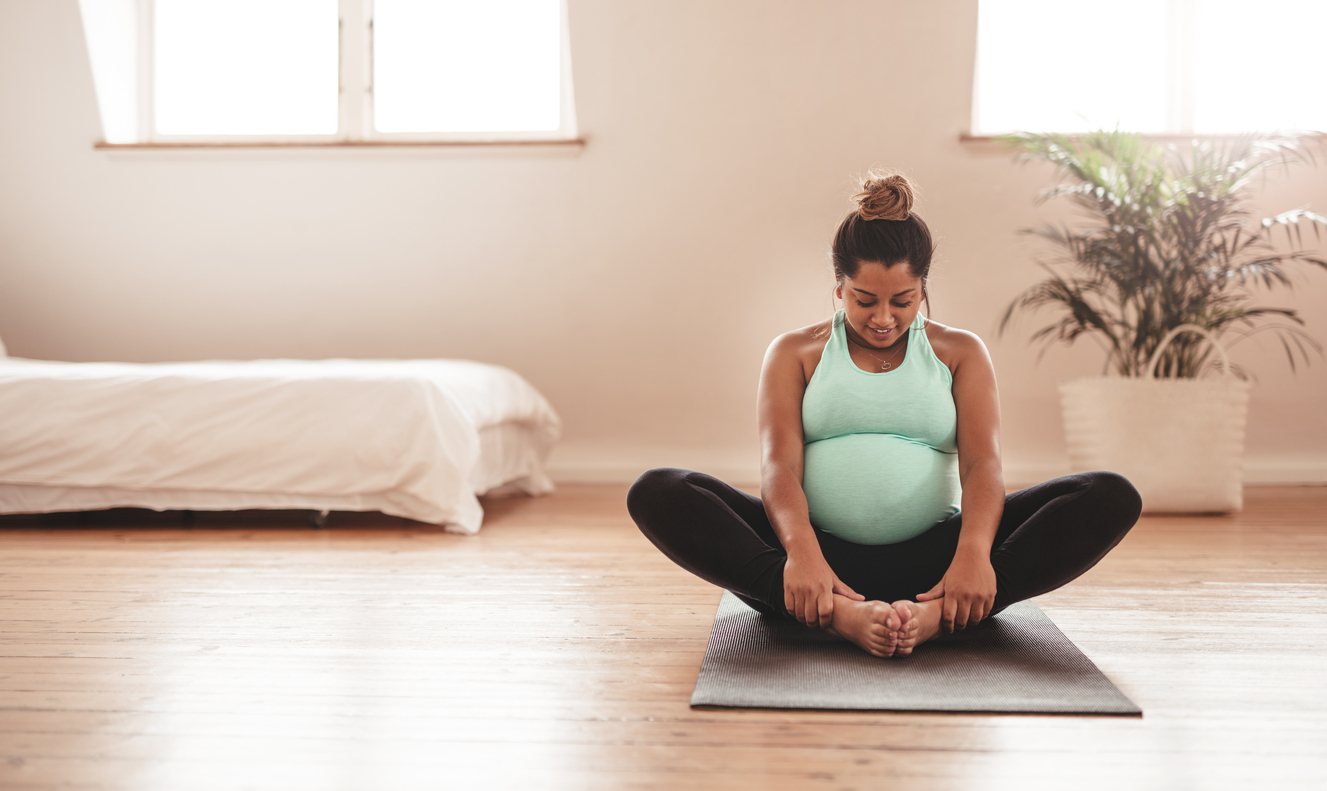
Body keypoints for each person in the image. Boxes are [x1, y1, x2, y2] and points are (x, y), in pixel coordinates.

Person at [626, 172, 1142, 658]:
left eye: (903, 301)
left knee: (1108, 495)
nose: (883, 318)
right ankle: (836, 612)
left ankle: (943, 611)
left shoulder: (959, 352)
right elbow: (778, 468)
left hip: (935, 560)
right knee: (660, 490)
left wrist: (973, 554)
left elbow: (983, 466)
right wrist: (803, 555)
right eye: (864, 299)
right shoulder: (794, 353)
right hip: (815, 558)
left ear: (923, 289)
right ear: (838, 286)